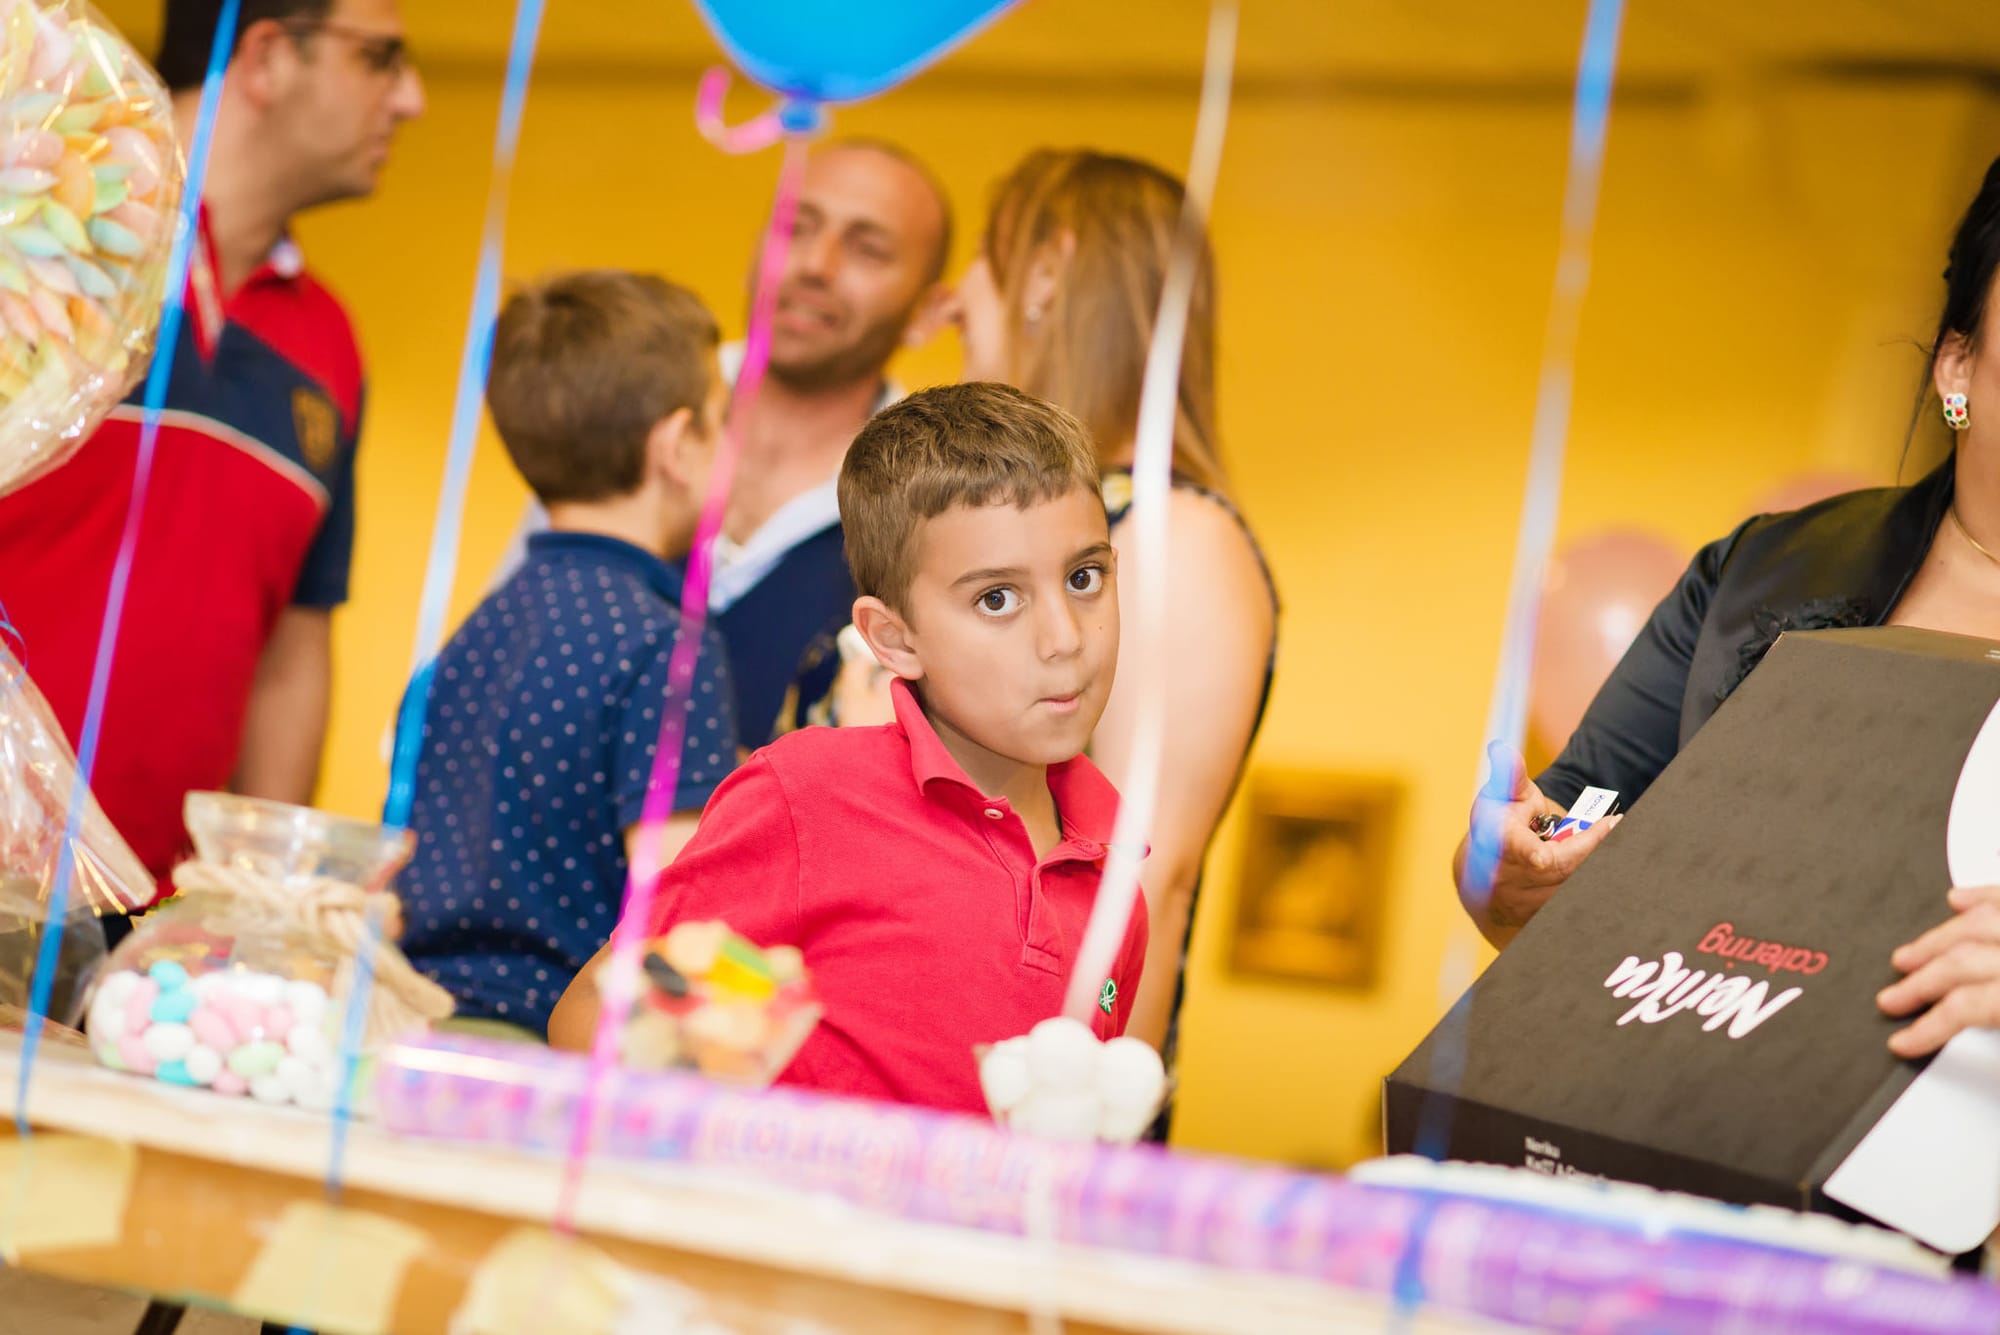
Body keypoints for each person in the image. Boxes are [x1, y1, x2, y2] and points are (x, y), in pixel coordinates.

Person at [1452, 154, 2000, 1059]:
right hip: (1721, 1113)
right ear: (1958, 370)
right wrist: (1502, 876)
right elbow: (1556, 837)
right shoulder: (1761, 574)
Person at [548, 383, 1147, 1116]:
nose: (1066, 637)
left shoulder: (1115, 878)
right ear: (893, 638)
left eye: (1085, 578)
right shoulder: (811, 800)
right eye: (997, 597)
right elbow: (588, 1021)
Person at [0, 0, 424, 891]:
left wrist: (258, 904)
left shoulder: (333, 347)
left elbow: (294, 645)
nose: (412, 98)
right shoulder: (34, 234)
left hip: (133, 936)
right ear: (267, 57)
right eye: (381, 57)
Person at [947, 149, 1279, 1056]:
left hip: (1029, 1088)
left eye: (984, 255)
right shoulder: (1001, 530)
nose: (953, 297)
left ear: (1045, 275)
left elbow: (1146, 876)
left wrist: (1068, 1123)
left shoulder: (1174, 536)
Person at [500, 139, 954, 747]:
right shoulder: (625, 409)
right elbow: (503, 662)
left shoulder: (936, 499)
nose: (817, 265)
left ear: (926, 313)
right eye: (795, 227)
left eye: (867, 249)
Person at [398, 271, 740, 1039]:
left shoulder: (473, 634)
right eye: (722, 424)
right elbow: (679, 901)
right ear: (677, 447)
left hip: (413, 1024)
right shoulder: (670, 645)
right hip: (550, 1048)